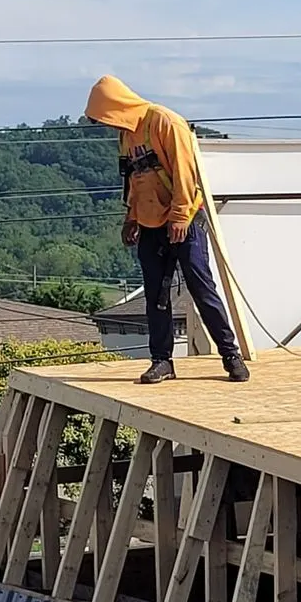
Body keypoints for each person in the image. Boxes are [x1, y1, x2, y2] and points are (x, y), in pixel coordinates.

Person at [85, 75, 250, 384]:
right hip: (150, 222)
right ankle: (162, 361)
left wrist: (179, 217)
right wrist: (131, 218)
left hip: (183, 220)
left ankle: (230, 355)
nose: (108, 125)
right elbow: (134, 179)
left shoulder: (164, 123)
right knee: (156, 296)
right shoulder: (127, 136)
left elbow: (186, 174)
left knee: (201, 288)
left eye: (106, 118)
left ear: (117, 107)